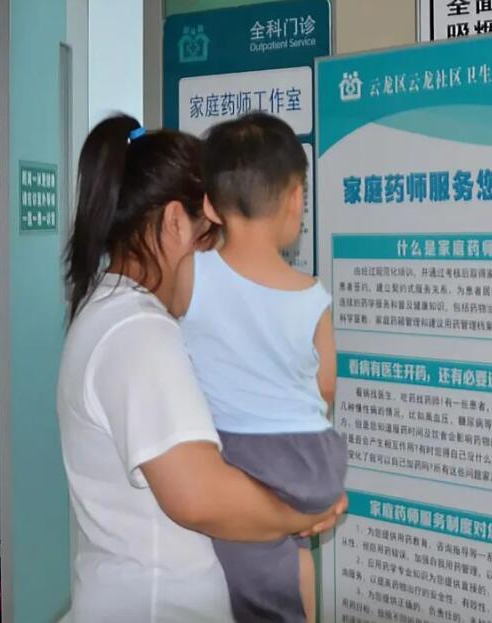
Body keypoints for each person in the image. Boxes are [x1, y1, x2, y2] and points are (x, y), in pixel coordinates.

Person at [57, 114, 346, 623]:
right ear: (175, 223)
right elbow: (199, 497)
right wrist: (300, 512)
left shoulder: (116, 313)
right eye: (212, 237)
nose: (219, 259)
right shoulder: (138, 334)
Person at [176, 113, 348, 623]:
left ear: (210, 205)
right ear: (295, 199)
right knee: (292, 553)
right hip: (312, 460)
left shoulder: (191, 275)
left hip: (239, 454)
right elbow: (326, 385)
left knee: (249, 566)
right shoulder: (312, 294)